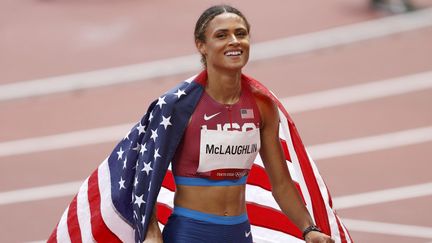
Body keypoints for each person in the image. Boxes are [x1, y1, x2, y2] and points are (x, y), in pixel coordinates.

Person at [143, 5, 335, 243]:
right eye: (222, 35)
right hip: (190, 233)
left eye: (241, 34)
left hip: (239, 233)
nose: (234, 41)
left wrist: (309, 229)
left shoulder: (262, 104)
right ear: (201, 45)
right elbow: (145, 180)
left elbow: (282, 184)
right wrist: (152, 234)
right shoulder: (178, 106)